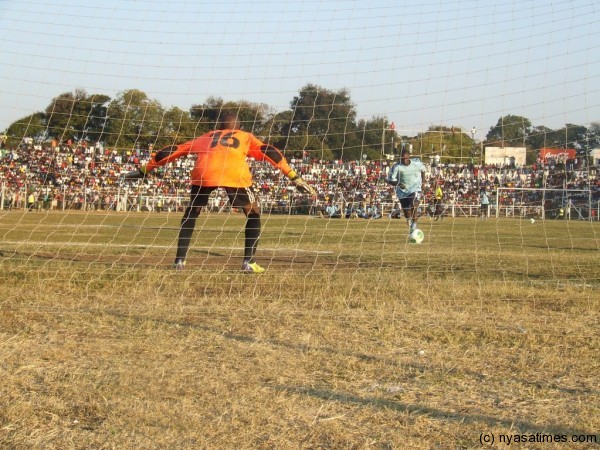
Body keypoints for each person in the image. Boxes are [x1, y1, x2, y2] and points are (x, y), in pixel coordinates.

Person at [124, 113, 315, 273]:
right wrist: (293, 176)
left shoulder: (207, 136)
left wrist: (144, 170)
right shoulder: (245, 136)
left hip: (204, 172)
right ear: (238, 127)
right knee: (253, 212)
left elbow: (172, 151)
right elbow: (269, 151)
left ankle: (179, 261)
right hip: (233, 173)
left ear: (220, 127)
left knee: (192, 212)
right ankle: (249, 262)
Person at [386, 149, 426, 234]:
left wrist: (423, 183)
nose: (404, 160)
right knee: (407, 212)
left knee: (414, 204)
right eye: (402, 158)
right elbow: (390, 180)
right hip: (402, 191)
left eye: (405, 158)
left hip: (415, 188)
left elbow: (423, 170)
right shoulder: (396, 166)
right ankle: (409, 219)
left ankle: (414, 226)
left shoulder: (417, 163)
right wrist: (399, 184)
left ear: (409, 157)